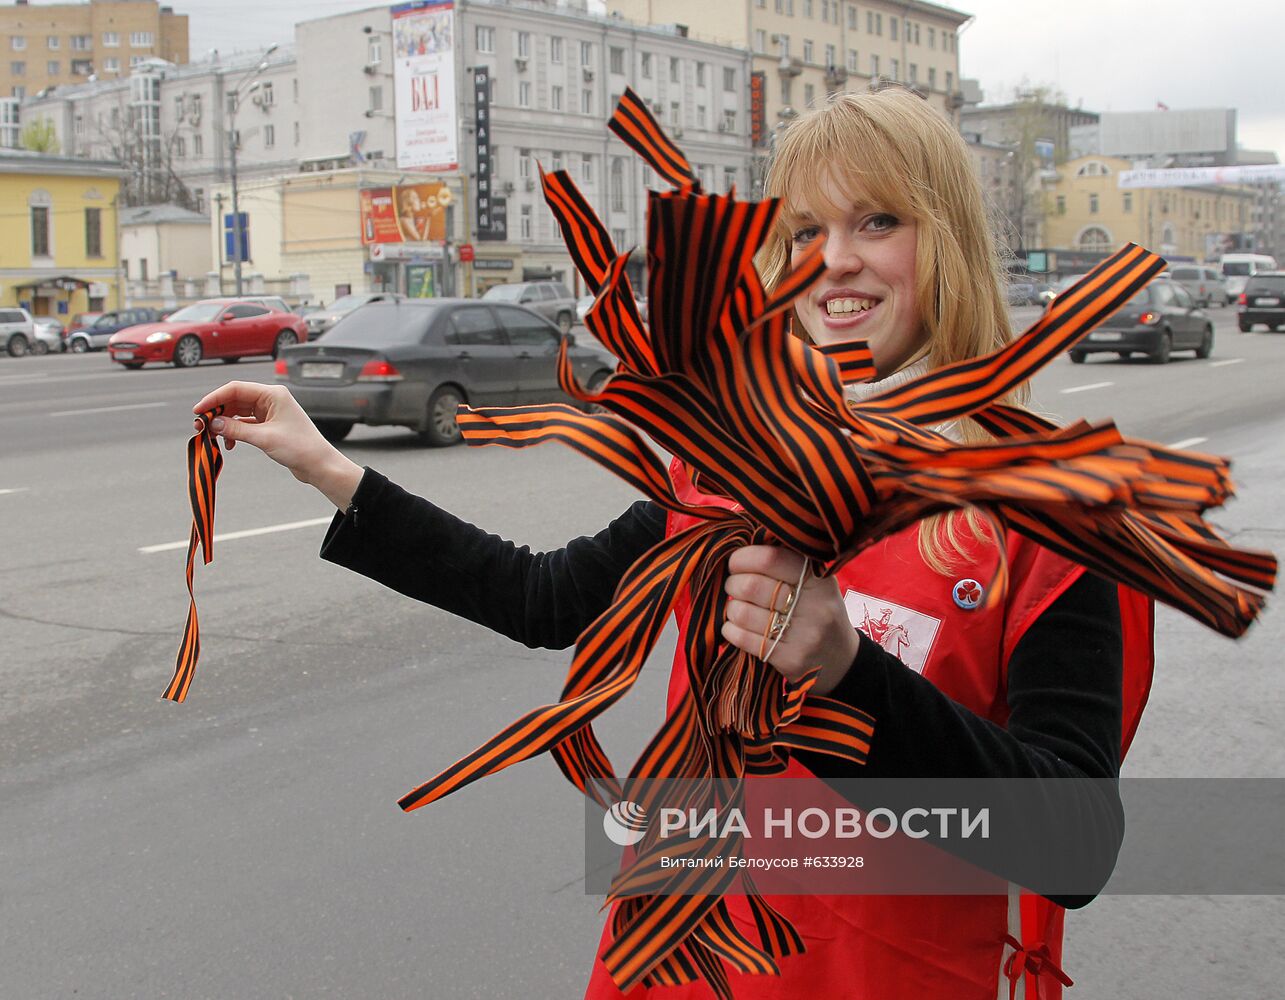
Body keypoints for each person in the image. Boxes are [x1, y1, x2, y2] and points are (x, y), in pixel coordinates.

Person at [192, 87, 1150, 998]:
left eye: (877, 222)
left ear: (946, 242)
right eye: (804, 232)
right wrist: (326, 466)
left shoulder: (1049, 515)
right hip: (680, 961)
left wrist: (849, 673)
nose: (836, 260)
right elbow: (545, 600)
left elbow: (1072, 846)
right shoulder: (727, 465)